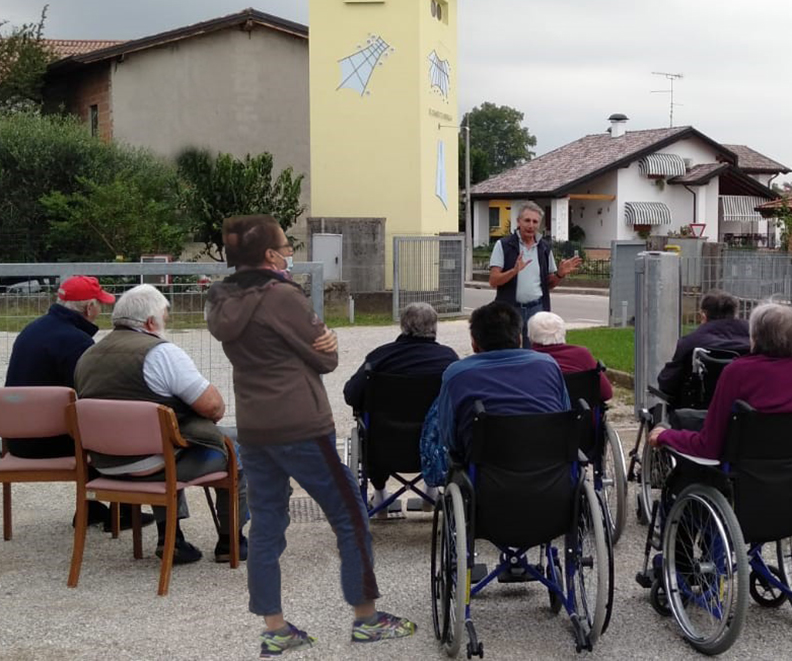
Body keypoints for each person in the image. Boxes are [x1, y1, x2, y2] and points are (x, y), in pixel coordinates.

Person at [207, 214, 415, 658]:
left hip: (255, 426)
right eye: (285, 246)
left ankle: (275, 627)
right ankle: (366, 617)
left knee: (266, 525)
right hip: (301, 423)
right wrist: (329, 340)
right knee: (350, 514)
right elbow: (326, 359)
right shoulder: (283, 296)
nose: (290, 254)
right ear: (268, 255)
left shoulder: (219, 298)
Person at [74, 284, 248, 565]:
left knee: (166, 443)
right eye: (165, 317)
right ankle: (231, 540)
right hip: (153, 466)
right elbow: (213, 407)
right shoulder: (161, 354)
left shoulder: (86, 357)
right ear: (151, 321)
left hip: (104, 465)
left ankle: (171, 538)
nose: (166, 322)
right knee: (237, 444)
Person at [2, 276, 152, 531]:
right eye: (99, 304)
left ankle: (92, 508)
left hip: (17, 441)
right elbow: (92, 394)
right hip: (51, 442)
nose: (101, 310)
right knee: (114, 430)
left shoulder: (32, 329)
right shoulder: (76, 341)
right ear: (88, 307)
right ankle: (125, 511)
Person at [419, 302, 570, 487]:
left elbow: (449, 436)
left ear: (474, 343)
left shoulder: (457, 375)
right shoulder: (548, 365)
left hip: (486, 479)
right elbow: (565, 413)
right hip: (550, 473)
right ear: (520, 339)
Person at [648, 303, 792, 461]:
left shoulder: (738, 371)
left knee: (684, 420)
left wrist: (667, 436)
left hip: (744, 469)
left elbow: (709, 445)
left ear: (755, 336)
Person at [343, 302, 458, 513]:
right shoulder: (448, 360)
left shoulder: (380, 358)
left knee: (370, 431)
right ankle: (431, 490)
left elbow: (351, 395)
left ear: (403, 326)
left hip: (384, 446)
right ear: (434, 327)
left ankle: (380, 496)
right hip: (432, 445)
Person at [488, 201, 583, 348]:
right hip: (510, 310)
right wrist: (514, 271)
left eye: (535, 221)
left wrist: (559, 274)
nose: (530, 225)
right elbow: (493, 281)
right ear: (518, 222)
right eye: (527, 220)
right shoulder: (504, 245)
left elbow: (549, 284)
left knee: (535, 352)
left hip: (537, 309)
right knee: (509, 351)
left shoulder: (544, 247)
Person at [656, 290, 751, 405]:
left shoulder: (691, 342)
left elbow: (668, 384)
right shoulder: (755, 341)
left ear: (703, 316)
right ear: (735, 314)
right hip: (745, 411)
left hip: (698, 414)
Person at [528, 311, 613, 403]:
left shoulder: (526, 360)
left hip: (541, 416)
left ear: (530, 336)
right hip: (579, 415)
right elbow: (606, 393)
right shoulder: (581, 354)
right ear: (563, 333)